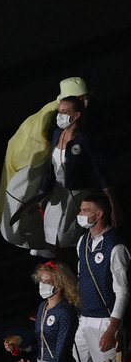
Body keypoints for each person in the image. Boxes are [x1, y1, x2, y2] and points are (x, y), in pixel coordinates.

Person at [0, 76, 88, 254]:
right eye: (83, 98)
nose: (86, 102)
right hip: (32, 160)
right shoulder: (57, 115)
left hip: (28, 159)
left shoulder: (55, 108)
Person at [34, 96, 118, 254]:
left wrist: (112, 205)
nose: (60, 116)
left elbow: (101, 173)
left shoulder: (85, 140)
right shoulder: (57, 134)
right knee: (48, 235)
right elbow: (51, 169)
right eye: (59, 112)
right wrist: (42, 194)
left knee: (66, 235)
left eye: (65, 112)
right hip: (57, 193)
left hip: (77, 194)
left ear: (77, 115)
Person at [74, 191, 127, 362]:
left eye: (86, 210)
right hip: (84, 319)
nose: (80, 213)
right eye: (81, 209)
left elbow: (122, 292)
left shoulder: (116, 247)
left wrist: (112, 329)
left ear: (99, 215)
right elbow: (81, 278)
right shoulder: (82, 242)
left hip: (104, 321)